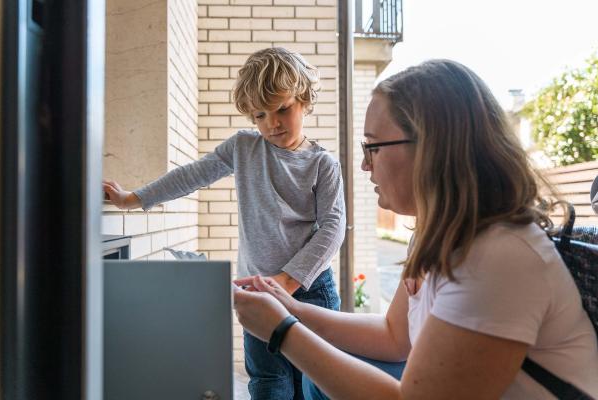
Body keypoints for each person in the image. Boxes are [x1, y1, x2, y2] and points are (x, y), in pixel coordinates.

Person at [233, 59, 598, 399]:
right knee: (318, 375)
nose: (363, 164)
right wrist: (286, 306)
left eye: (373, 147)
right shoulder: (436, 235)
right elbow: (395, 337)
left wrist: (283, 331)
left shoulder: (500, 255)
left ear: (432, 150)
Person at [103, 47, 346, 399]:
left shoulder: (322, 164)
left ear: (305, 100)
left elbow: (333, 227)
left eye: (282, 109)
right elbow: (191, 175)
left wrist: (287, 280)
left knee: (315, 382)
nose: (272, 123)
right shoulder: (244, 148)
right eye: (260, 115)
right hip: (257, 289)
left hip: (310, 290)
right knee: (267, 381)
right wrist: (133, 199)